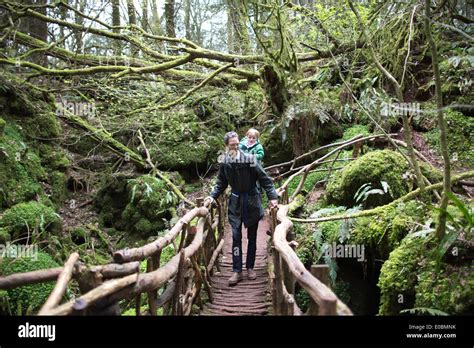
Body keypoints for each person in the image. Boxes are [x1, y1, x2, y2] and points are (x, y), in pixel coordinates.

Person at [205, 131, 278, 286]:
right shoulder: (225, 162)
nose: (236, 147)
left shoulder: (250, 160)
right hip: (236, 203)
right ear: (226, 146)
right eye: (232, 145)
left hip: (252, 201)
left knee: (252, 237)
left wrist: (272, 197)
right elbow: (221, 183)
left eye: (238, 144)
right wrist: (212, 196)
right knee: (236, 237)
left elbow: (265, 179)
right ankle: (237, 270)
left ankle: (250, 267)